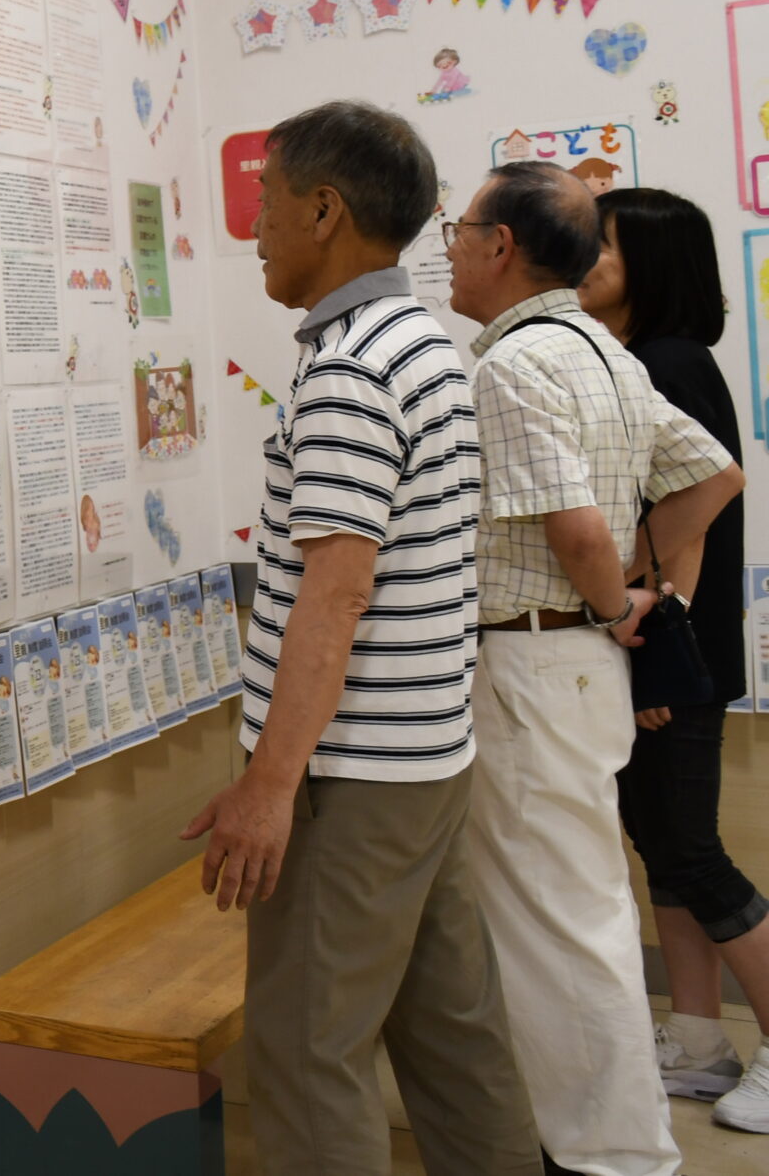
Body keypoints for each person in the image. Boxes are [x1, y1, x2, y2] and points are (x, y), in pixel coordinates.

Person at [182, 101, 540, 1175]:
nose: (253, 230)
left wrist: (269, 785)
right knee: (450, 1036)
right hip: (426, 762)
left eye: (265, 202)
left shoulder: (346, 371)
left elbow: (332, 601)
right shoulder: (424, 343)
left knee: (304, 1055)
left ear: (324, 210)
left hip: (350, 779)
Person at [447, 160, 744, 1176]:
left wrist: (621, 601)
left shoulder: (513, 367)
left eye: (458, 228)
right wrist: (653, 593)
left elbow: (575, 526)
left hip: (536, 660)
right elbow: (711, 475)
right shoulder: (604, 357)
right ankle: (610, 1143)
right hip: (575, 671)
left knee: (557, 924)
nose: (446, 246)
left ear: (499, 247)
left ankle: (612, 1157)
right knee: (581, 911)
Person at [581, 187, 769, 1130]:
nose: (580, 255)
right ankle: (697, 1042)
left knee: (691, 851)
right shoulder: (635, 360)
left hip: (672, 653)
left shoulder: (665, 363)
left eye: (600, 243)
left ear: (647, 263)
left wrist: (655, 653)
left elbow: (689, 513)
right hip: (663, 650)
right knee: (663, 847)